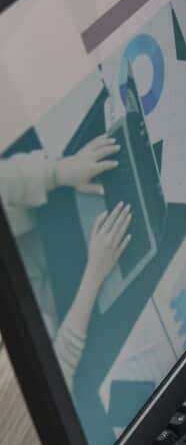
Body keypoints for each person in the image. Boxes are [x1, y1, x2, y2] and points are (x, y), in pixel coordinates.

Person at [0, 135, 132, 381]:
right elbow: (55, 375)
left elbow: (6, 180)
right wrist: (94, 276)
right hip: (70, 310)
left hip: (51, 222)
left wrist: (60, 171)